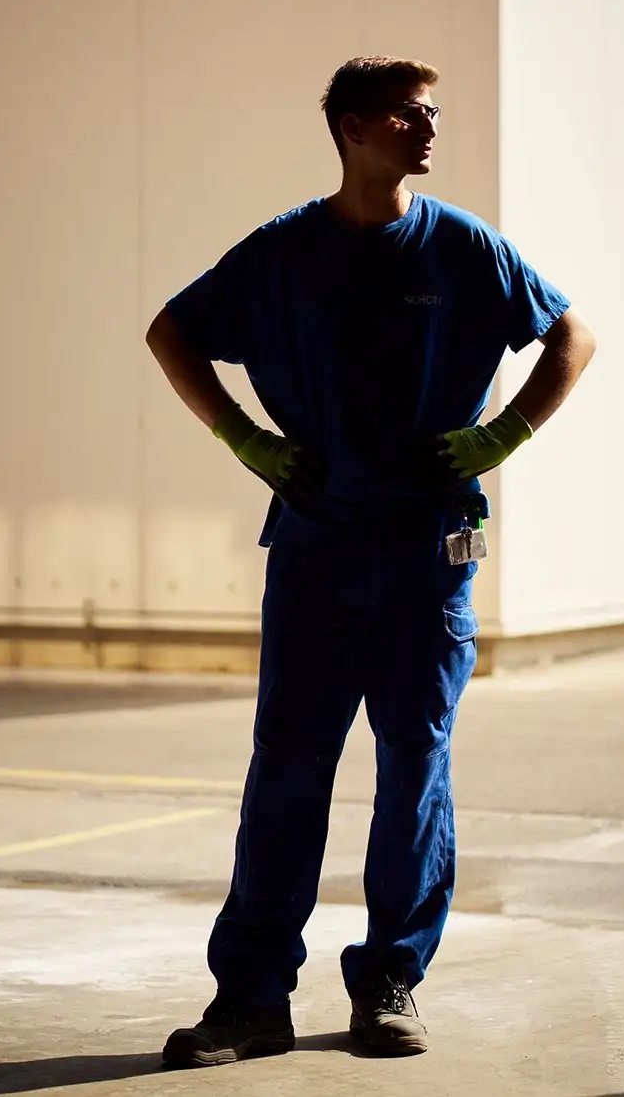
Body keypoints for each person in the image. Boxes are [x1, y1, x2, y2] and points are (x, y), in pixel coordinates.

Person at [146, 55, 596, 1066]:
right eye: (409, 113)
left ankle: (389, 980)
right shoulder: (282, 254)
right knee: (288, 772)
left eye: (432, 112)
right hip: (314, 547)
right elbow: (171, 330)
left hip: (428, 554)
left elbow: (570, 332)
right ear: (354, 127)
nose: (430, 128)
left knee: (414, 766)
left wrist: (506, 433)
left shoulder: (464, 248)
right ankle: (251, 997)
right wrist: (243, 438)